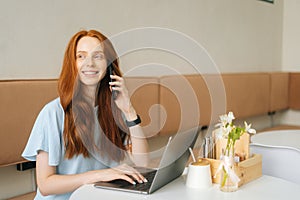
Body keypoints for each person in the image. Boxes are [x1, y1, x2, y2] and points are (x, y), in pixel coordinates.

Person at [22, 29, 149, 199]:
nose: (90, 63)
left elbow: (143, 163)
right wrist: (99, 175)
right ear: (72, 64)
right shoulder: (53, 113)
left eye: (98, 56)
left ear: (109, 65)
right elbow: (45, 185)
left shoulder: (115, 110)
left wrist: (129, 111)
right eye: (81, 56)